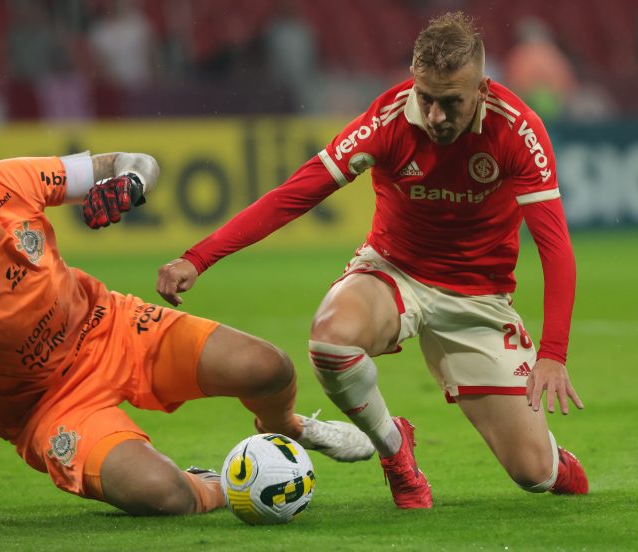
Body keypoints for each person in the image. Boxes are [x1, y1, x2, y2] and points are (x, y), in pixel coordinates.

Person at [156, 11, 589, 509]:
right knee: (330, 338)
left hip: (479, 298)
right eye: (425, 98)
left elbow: (556, 247)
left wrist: (553, 353)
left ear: (483, 91)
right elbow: (295, 195)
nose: (436, 116)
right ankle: (394, 449)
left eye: (451, 103)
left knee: (535, 474)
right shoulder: (385, 122)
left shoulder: (518, 132)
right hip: (395, 273)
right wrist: (199, 257)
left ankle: (561, 467)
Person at [0, 134, 374, 517]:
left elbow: (136, 162)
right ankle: (224, 483)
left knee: (268, 367)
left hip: (109, 325)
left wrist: (130, 183)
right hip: (47, 405)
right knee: (165, 496)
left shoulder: (10, 181)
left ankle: (287, 428)